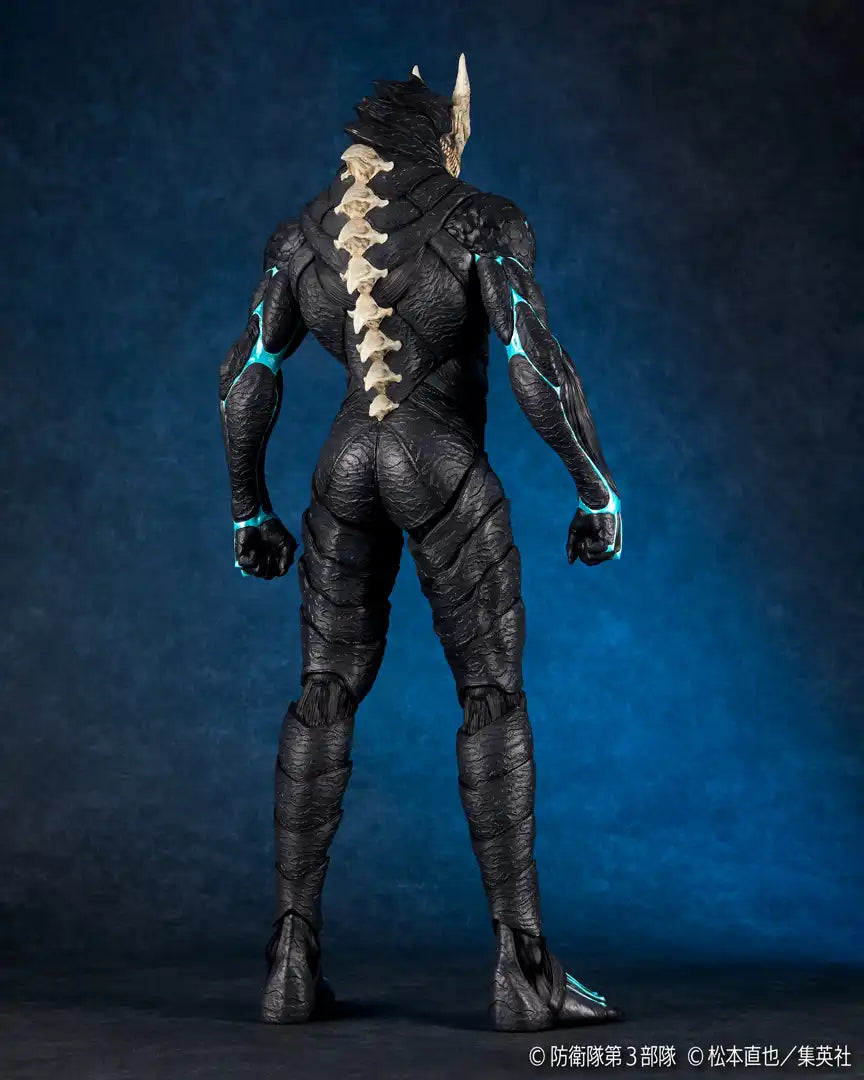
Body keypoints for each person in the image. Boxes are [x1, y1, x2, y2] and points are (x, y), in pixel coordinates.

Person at [219, 56, 623, 1032]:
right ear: (448, 134)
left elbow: (245, 377)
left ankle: (289, 958)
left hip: (344, 464)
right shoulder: (480, 220)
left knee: (324, 690)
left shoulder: (302, 236)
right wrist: (596, 489)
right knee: (490, 693)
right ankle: (523, 969)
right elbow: (537, 366)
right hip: (437, 461)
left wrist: (248, 509)